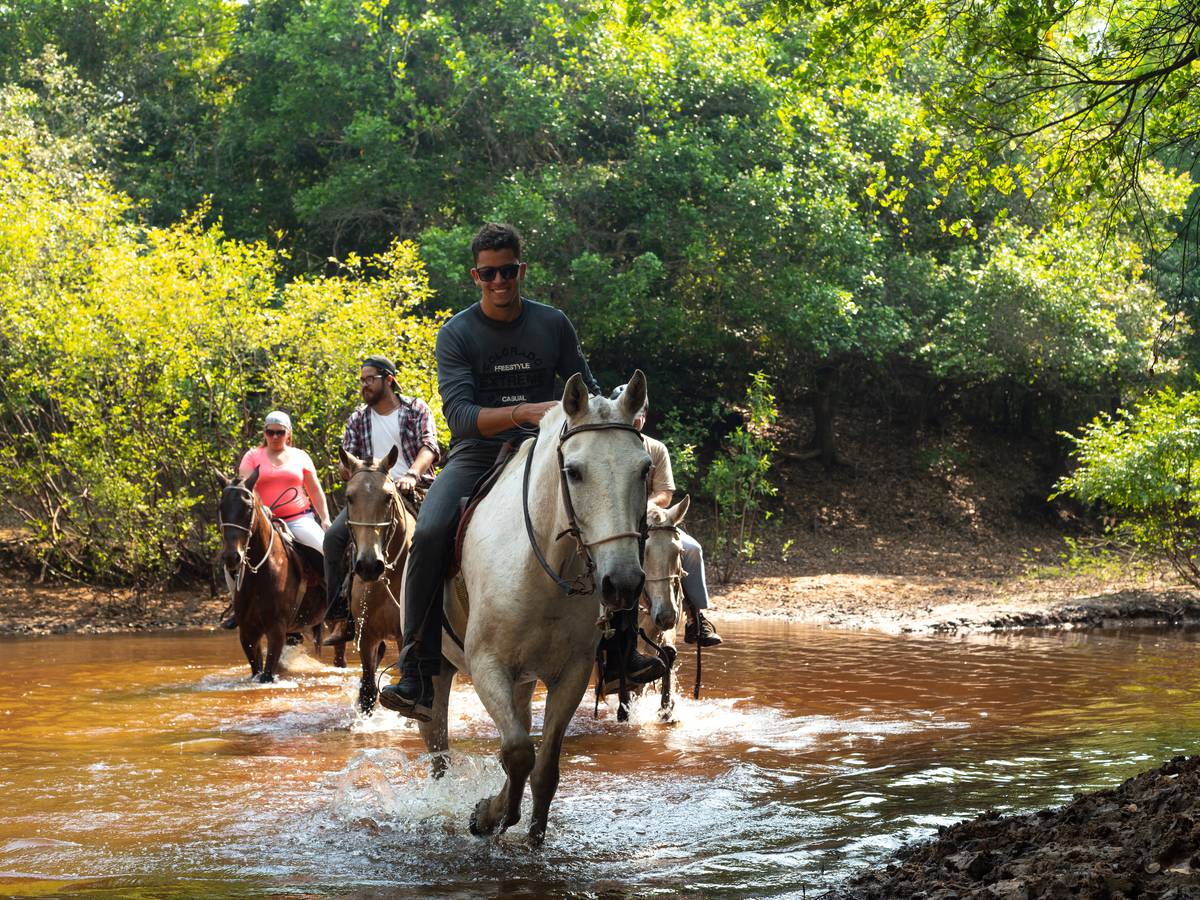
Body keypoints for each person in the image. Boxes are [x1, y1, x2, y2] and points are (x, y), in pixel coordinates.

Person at [380, 222, 665, 717]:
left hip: (550, 448)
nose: (499, 281)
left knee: (615, 519)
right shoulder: (457, 333)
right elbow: (461, 417)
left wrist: (619, 410)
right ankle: (417, 668)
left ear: (521, 270)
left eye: (508, 271)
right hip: (478, 452)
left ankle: (620, 654)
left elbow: (589, 388)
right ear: (476, 276)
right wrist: (524, 412)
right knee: (427, 534)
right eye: (489, 273)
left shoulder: (552, 323)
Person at [320, 355, 440, 644]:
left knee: (438, 536)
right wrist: (350, 469)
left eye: (369, 379)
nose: (364, 385)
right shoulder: (358, 418)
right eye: (361, 380)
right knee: (333, 539)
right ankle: (341, 615)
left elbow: (429, 446)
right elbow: (346, 461)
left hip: (414, 488)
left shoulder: (416, 409)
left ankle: (446, 610)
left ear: (389, 379)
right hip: (370, 495)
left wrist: (411, 473)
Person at [615, 385, 723, 647]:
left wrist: (648, 509)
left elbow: (665, 493)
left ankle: (696, 618)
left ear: (645, 416)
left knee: (692, 549)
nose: (631, 418)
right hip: (614, 526)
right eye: (625, 412)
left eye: (637, 413)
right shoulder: (605, 450)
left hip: (653, 522)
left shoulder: (656, 449)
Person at [220, 411, 332, 629]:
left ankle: (337, 599)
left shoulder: (300, 456)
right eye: (270, 432)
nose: (275, 437)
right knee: (231, 560)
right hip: (262, 521)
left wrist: (325, 518)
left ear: (288, 434)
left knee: (324, 549)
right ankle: (238, 605)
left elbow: (315, 490)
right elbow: (244, 488)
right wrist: (263, 508)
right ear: (264, 433)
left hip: (299, 518)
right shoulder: (252, 456)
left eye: (280, 432)